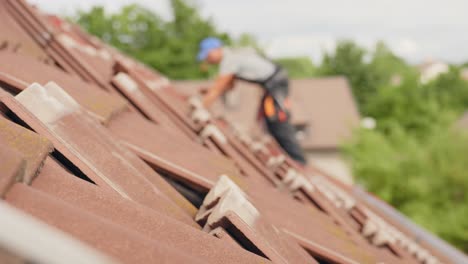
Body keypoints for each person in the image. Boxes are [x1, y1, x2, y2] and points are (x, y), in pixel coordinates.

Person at [197, 37, 307, 165]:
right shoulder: (232, 56)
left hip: (275, 83)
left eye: (208, 56)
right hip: (273, 83)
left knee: (277, 119)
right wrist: (210, 90)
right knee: (269, 121)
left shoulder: (229, 60)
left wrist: (201, 107)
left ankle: (299, 161)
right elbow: (229, 86)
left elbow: (218, 89)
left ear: (215, 50)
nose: (208, 61)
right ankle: (291, 158)